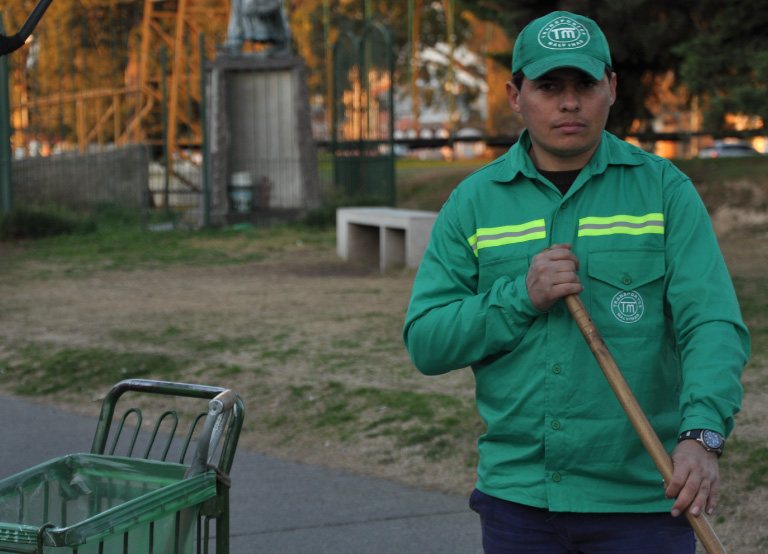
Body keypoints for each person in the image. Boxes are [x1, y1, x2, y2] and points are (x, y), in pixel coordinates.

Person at [402, 10, 750, 554]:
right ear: (516, 95)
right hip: (520, 504)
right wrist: (521, 296)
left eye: (584, 84)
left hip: (645, 502)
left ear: (610, 88)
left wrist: (703, 435)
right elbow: (426, 341)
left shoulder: (663, 190)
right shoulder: (472, 203)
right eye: (548, 86)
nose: (569, 102)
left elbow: (712, 323)